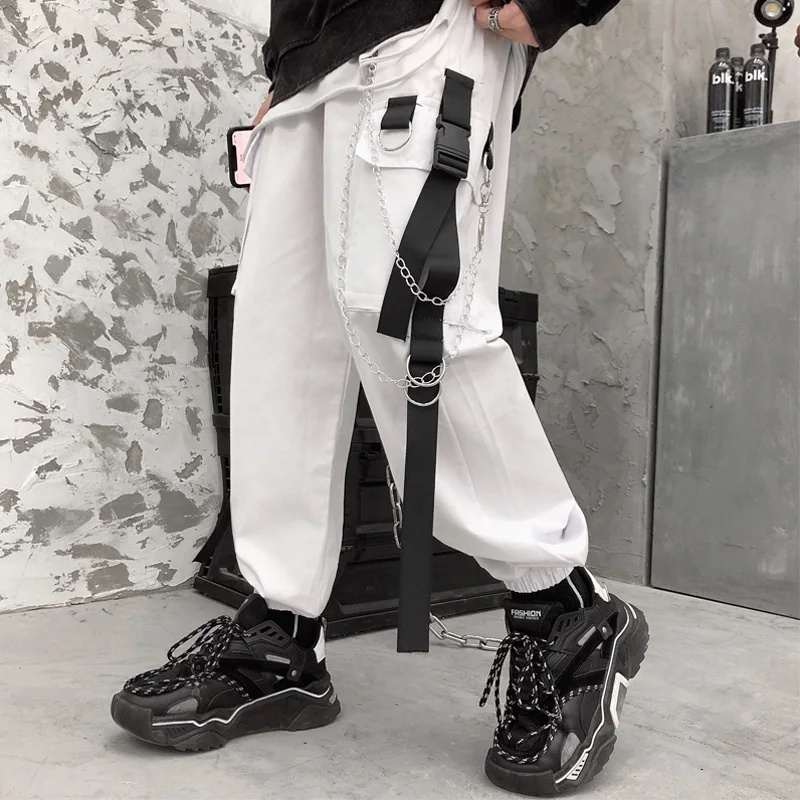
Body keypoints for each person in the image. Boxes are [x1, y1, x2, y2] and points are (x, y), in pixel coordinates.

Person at [111, 1, 649, 795]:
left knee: (416, 328)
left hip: (427, 31)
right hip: (312, 60)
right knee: (278, 344)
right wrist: (289, 61)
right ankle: (282, 638)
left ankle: (565, 607)